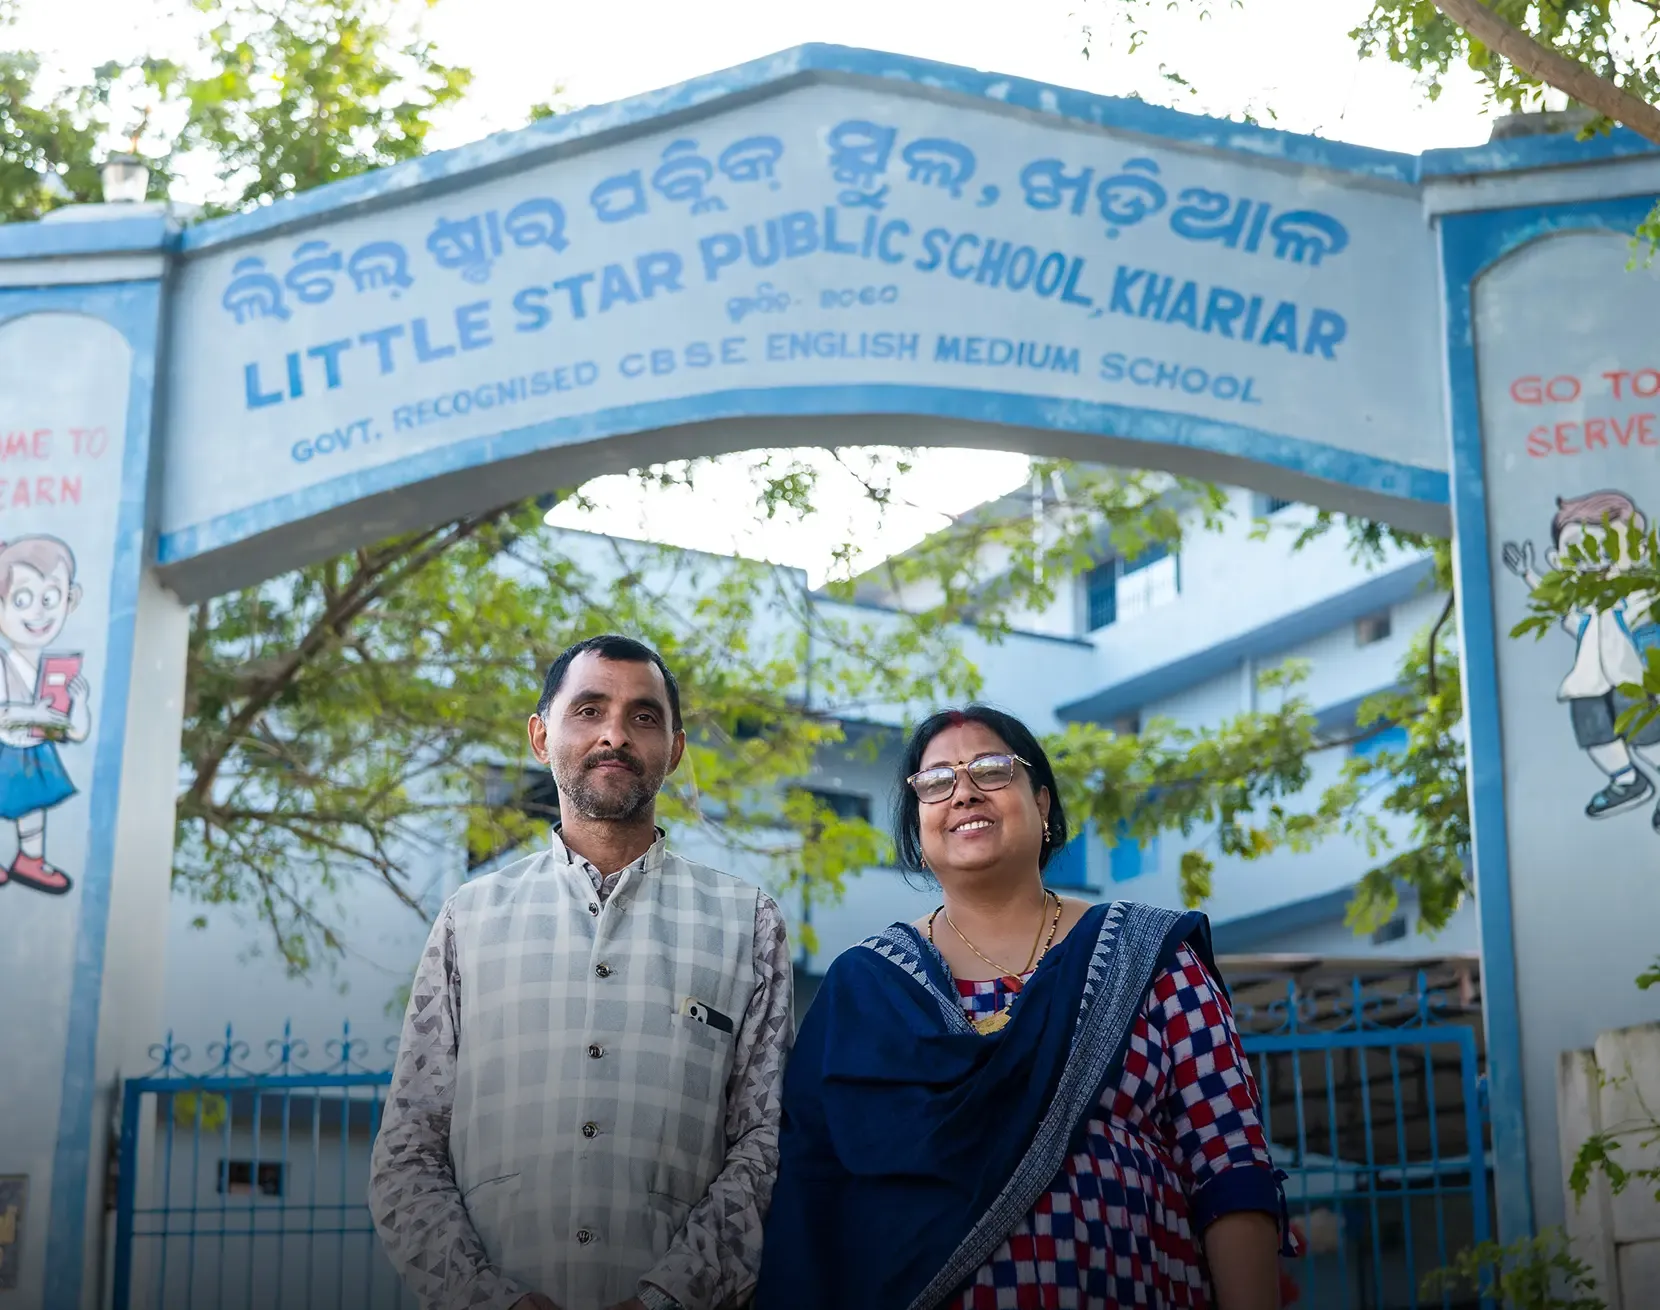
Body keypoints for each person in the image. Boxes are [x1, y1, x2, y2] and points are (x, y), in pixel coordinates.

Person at [757, 705, 1291, 1310]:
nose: (962, 793)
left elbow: (1229, 1160)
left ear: (1041, 802)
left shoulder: (1148, 958)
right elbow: (810, 1194)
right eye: (936, 782)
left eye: (990, 769)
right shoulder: (864, 987)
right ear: (919, 822)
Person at [370, 635, 793, 1310]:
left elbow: (764, 1147)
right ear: (541, 736)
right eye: (589, 710)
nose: (615, 736)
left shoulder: (747, 924)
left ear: (676, 749)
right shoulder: (468, 921)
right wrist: (489, 1300)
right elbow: (408, 1155)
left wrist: (667, 1298)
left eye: (643, 717)